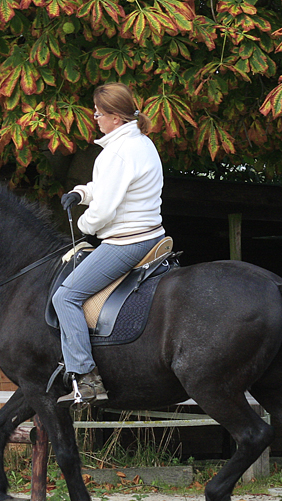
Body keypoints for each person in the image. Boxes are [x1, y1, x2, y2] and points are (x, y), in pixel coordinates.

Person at [53, 82, 165, 406]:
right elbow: (106, 190)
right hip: (153, 233)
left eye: (99, 113)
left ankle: (86, 378)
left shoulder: (118, 152)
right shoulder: (140, 142)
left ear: (115, 117)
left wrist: (82, 224)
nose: (95, 117)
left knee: (66, 297)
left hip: (127, 242)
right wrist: (81, 193)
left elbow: (104, 210)